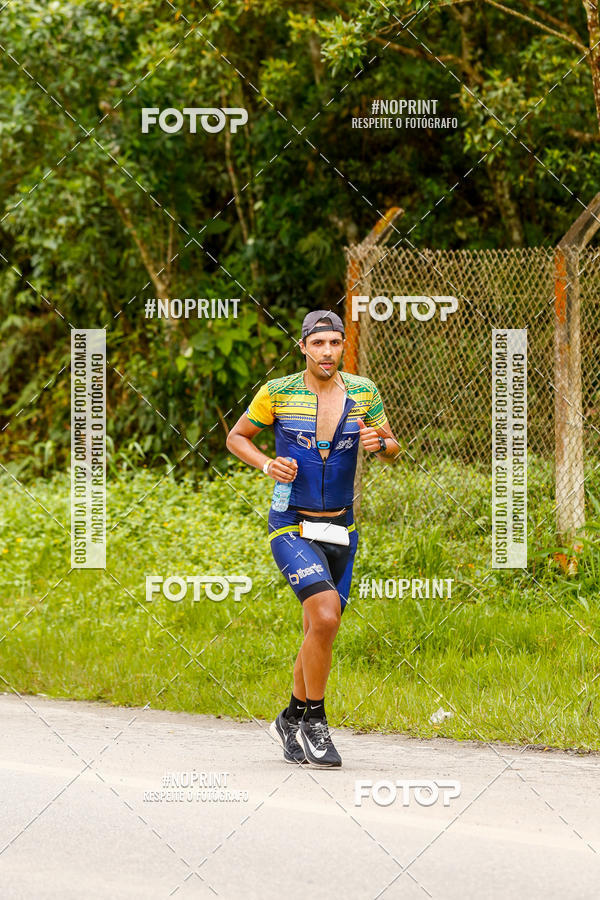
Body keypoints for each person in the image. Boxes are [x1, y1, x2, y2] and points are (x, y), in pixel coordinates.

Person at [225, 310, 398, 767]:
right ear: (303, 347)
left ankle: (290, 717)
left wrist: (381, 446)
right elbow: (236, 437)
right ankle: (315, 722)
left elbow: (393, 446)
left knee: (318, 629)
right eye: (318, 343)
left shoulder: (363, 392)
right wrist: (267, 464)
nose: (327, 351)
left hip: (342, 527)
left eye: (335, 343)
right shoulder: (278, 392)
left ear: (343, 346)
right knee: (325, 616)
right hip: (291, 524)